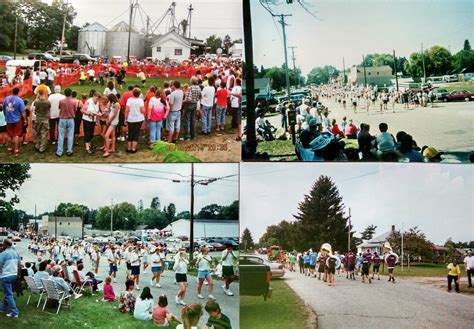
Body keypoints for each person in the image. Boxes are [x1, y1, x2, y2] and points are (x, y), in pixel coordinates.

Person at [2, 87, 26, 156]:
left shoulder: (6, 99)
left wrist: (6, 116)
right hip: (17, 120)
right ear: (18, 92)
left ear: (12, 91)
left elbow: (4, 109)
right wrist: (24, 119)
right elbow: (23, 112)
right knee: (16, 135)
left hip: (9, 119)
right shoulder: (20, 100)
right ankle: (16, 151)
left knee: (9, 135)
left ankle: (9, 150)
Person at [0, 239, 21, 318]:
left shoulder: (4, 254)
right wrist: (18, 275)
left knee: (9, 294)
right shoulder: (15, 253)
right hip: (14, 275)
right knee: (8, 292)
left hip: (6, 275)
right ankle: (3, 307)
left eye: (3, 244)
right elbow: (19, 265)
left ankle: (14, 312)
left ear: (5, 244)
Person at [56, 88, 76, 157]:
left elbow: (59, 108)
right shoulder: (73, 102)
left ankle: (59, 152)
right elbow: (75, 109)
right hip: (70, 119)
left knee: (61, 136)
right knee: (70, 136)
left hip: (62, 119)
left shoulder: (61, 101)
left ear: (65, 93)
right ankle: (69, 151)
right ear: (71, 93)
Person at [125, 88, 145, 153]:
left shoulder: (129, 100)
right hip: (139, 119)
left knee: (130, 132)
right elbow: (142, 110)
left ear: (133, 93)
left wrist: (125, 118)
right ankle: (133, 148)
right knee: (136, 133)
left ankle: (129, 148)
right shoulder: (140, 100)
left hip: (131, 119)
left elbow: (127, 110)